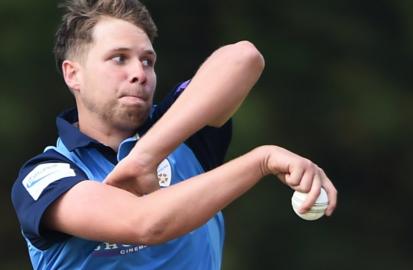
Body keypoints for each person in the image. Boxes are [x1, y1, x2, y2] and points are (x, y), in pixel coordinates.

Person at [11, 0, 338, 269]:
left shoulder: (181, 129)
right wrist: (261, 160)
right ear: (73, 74)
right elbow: (145, 223)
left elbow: (244, 57)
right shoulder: (45, 176)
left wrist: (144, 157)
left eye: (147, 61)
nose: (139, 73)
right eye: (119, 59)